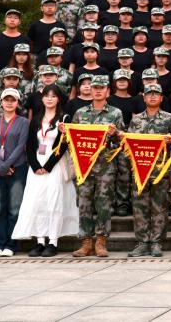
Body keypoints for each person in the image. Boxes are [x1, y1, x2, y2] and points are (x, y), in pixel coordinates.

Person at [13, 84, 77, 258]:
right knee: (37, 202)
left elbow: (63, 145)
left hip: (55, 164)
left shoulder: (64, 118)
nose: (50, 99)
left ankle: (53, 241)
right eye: (47, 95)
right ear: (42, 98)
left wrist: (48, 165)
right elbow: (30, 144)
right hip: (36, 166)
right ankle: (40, 241)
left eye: (53, 96)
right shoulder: (36, 119)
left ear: (58, 99)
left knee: (54, 202)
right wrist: (34, 165)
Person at [66, 75, 124, 258]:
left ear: (108, 91)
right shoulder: (80, 113)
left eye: (102, 88)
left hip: (105, 166)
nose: (98, 91)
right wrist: (65, 132)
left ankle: (101, 242)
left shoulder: (115, 113)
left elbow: (121, 143)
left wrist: (115, 134)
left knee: (104, 204)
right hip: (84, 166)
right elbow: (72, 140)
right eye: (95, 87)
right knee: (84, 204)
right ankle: (86, 242)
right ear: (90, 90)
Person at [127, 84, 171, 258]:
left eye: (156, 94)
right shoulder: (136, 120)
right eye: (149, 94)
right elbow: (128, 143)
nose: (152, 97)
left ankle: (157, 242)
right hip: (140, 169)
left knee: (160, 207)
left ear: (161, 98)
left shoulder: (169, 119)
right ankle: (143, 243)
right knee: (139, 207)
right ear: (143, 98)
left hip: (161, 170)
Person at [0, 88, 29, 257]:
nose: (9, 103)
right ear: (1, 102)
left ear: (17, 103)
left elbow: (21, 146)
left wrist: (7, 164)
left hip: (17, 168)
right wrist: (0, 165)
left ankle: (11, 244)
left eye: (13, 100)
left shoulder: (23, 122)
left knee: (14, 207)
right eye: (6, 100)